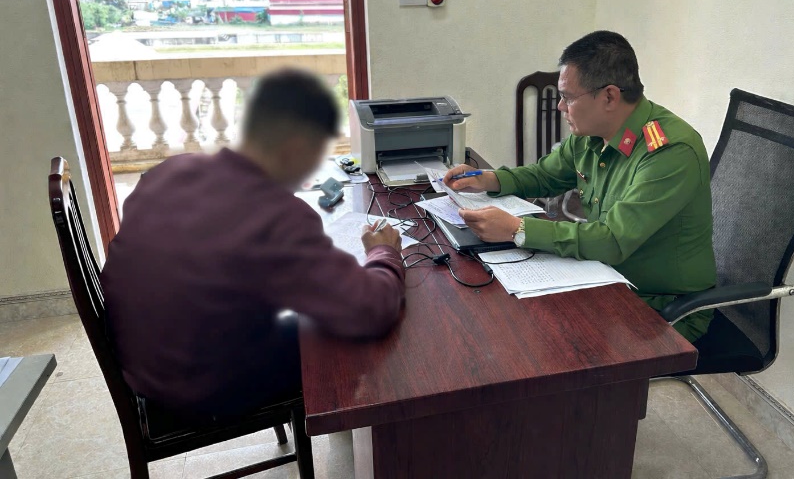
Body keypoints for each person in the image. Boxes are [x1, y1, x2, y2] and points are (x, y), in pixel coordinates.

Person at [102, 68, 405, 417]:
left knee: (310, 310)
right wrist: (385, 252)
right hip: (196, 387)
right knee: (343, 334)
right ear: (296, 148)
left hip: (145, 362)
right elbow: (370, 310)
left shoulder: (170, 171)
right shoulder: (275, 216)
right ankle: (363, 425)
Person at [444, 31, 716, 342]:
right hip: (607, 277)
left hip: (663, 307)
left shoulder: (669, 151)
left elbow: (612, 240)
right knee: (510, 321)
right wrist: (489, 179)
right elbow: (544, 175)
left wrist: (518, 229)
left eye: (569, 97)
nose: (560, 107)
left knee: (541, 341)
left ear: (609, 97)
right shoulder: (592, 134)